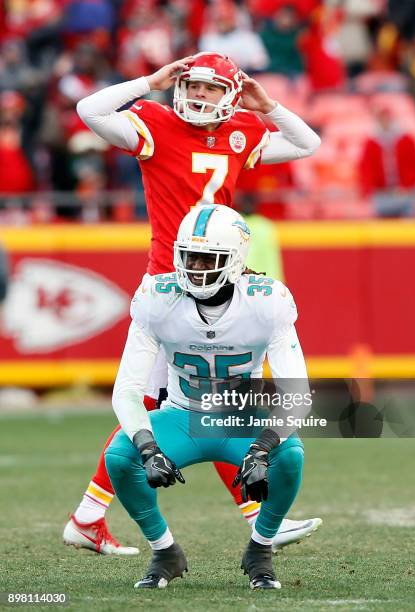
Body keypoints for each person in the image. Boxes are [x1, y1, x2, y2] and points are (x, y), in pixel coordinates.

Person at [63, 52, 321, 554]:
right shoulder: (156, 121)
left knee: (212, 402)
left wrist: (267, 105)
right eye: (193, 86)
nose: (198, 96)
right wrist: (149, 82)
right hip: (172, 285)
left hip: (222, 279)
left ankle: (93, 514)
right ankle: (91, 515)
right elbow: (90, 110)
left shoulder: (241, 129)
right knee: (187, 404)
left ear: (228, 96)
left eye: (210, 89)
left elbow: (307, 143)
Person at [105, 204, 310, 590]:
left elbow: (296, 392)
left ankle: (260, 549)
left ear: (235, 261)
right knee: (119, 457)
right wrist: (148, 449)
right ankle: (165, 550)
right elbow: (127, 390)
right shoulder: (156, 297)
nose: (195, 268)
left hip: (240, 418)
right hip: (182, 414)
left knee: (290, 456)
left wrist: (263, 448)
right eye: (188, 257)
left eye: (207, 258)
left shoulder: (267, 302)